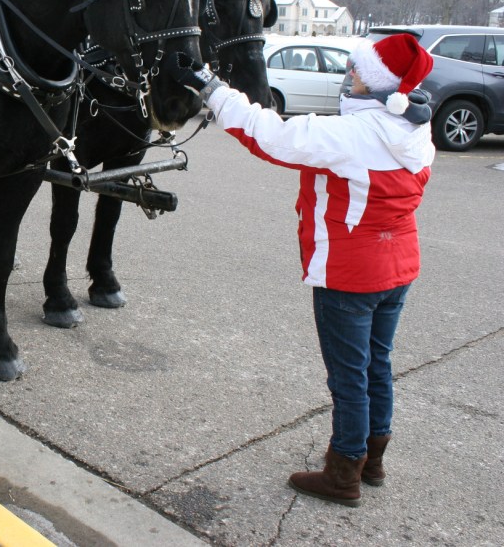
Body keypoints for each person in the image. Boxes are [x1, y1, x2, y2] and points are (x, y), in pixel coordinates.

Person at [164, 34, 436, 507]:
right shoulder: (413, 127)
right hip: (399, 267)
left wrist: (210, 86)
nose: (349, 75)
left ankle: (343, 473)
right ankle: (372, 460)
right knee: (378, 366)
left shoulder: (351, 135)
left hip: (350, 274)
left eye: (358, 70)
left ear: (376, 83)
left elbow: (270, 135)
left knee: (349, 377)